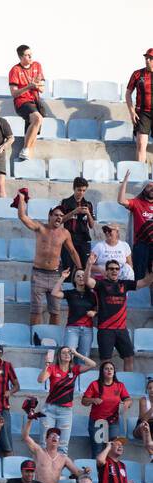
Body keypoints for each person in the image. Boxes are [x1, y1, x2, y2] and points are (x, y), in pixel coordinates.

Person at [14, 200, 84, 328]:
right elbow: (22, 217)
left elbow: (73, 252)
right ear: (50, 216)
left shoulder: (65, 233)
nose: (59, 217)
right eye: (56, 215)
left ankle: (52, 339)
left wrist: (80, 269)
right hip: (38, 274)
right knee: (36, 310)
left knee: (55, 311)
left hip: (55, 276)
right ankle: (35, 338)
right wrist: (21, 200)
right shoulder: (40, 227)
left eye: (61, 216)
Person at [85, 254, 153, 371]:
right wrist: (89, 264)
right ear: (106, 272)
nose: (114, 271)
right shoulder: (101, 284)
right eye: (111, 269)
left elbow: (145, 282)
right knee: (106, 361)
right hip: (105, 329)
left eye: (116, 269)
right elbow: (87, 281)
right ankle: (107, 386)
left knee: (129, 357)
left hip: (121, 329)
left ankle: (128, 383)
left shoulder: (124, 284)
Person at [37, 345, 96, 450]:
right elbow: (41, 380)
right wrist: (46, 365)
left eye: (69, 353)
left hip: (66, 411)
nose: (67, 354)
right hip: (49, 409)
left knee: (63, 446)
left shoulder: (74, 369)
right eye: (63, 352)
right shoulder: (52, 368)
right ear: (59, 356)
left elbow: (93, 364)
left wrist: (77, 354)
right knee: (44, 444)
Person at [115, 171, 153, 304]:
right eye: (149, 186)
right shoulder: (137, 202)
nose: (152, 189)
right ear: (144, 189)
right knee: (139, 275)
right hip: (141, 244)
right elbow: (121, 200)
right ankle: (138, 302)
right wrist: (125, 181)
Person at [9, 44, 46, 161]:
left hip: (35, 101)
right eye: (27, 55)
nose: (30, 57)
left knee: (35, 125)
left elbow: (42, 89)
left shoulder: (37, 65)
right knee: (38, 119)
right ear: (21, 57)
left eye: (31, 54)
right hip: (22, 101)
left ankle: (26, 152)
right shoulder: (15, 70)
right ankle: (25, 149)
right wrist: (28, 86)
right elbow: (14, 94)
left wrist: (36, 85)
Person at [59, 177, 96, 273]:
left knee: (84, 269)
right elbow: (59, 221)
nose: (81, 193)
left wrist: (88, 214)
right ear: (74, 189)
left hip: (84, 239)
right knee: (68, 268)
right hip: (68, 239)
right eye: (79, 190)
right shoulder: (65, 202)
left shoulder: (88, 204)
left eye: (84, 190)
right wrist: (74, 212)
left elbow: (92, 225)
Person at [61, 270, 99, 358]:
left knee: (84, 359)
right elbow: (54, 293)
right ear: (74, 279)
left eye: (83, 275)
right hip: (72, 329)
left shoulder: (93, 295)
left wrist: (94, 312)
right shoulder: (70, 293)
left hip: (87, 330)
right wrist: (62, 277)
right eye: (78, 276)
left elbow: (100, 310)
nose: (81, 277)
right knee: (68, 356)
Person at [126, 49, 153, 166]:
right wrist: (132, 112)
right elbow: (128, 93)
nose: (147, 60)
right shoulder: (137, 74)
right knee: (141, 144)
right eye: (146, 58)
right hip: (143, 113)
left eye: (150, 58)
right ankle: (141, 176)